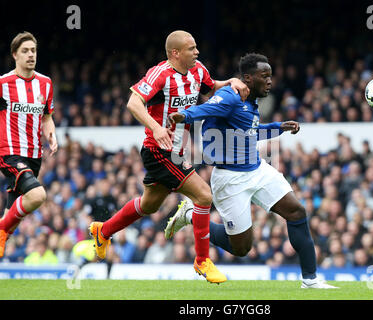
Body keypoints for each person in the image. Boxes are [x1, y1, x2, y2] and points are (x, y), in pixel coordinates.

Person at [89, 30, 249, 284]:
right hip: (159, 151)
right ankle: (202, 261)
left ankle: (103, 230)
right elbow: (133, 103)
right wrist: (156, 126)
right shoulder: (160, 74)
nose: (197, 52)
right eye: (191, 48)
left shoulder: (198, 71)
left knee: (149, 205)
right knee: (204, 195)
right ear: (175, 53)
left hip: (178, 150)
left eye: (196, 48)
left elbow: (210, 87)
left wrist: (229, 81)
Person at [165, 53, 337, 289]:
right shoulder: (230, 95)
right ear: (247, 77)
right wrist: (184, 115)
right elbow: (207, 109)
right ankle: (191, 216)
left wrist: (279, 128)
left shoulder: (251, 100)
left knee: (296, 211)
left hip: (258, 170)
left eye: (270, 76)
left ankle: (310, 279)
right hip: (230, 179)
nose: (269, 81)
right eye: (264, 76)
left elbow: (251, 131)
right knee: (242, 248)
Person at [0, 32, 58, 257]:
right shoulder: (3, 83)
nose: (30, 55)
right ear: (15, 55)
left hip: (34, 155)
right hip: (10, 153)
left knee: (10, 220)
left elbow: (47, 117)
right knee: (37, 196)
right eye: (25, 51)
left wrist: (52, 135)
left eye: (33, 50)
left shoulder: (45, 83)